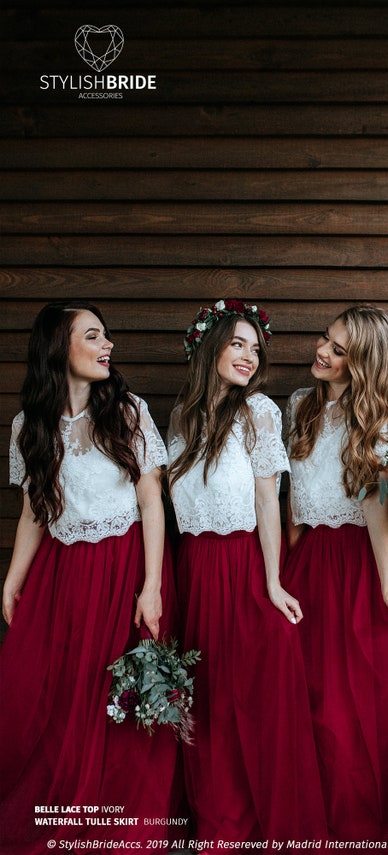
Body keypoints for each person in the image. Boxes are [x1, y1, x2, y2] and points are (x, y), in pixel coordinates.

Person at [0, 301, 181, 855]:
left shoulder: (126, 411)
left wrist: (151, 587)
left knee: (118, 697)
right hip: (63, 570)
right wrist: (12, 579)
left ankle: (117, 821)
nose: (107, 346)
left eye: (107, 336)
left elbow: (153, 501)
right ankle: (57, 812)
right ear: (60, 347)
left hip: (126, 567)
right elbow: (36, 509)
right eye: (93, 336)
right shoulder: (28, 425)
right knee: (54, 690)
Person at [283, 304, 388, 842]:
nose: (323, 351)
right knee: (318, 704)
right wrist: (280, 571)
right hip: (311, 562)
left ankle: (378, 828)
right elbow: (293, 499)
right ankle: (326, 825)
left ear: (362, 363)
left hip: (366, 562)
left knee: (374, 702)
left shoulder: (378, 422)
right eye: (325, 339)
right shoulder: (298, 407)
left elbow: (375, 506)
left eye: (338, 350)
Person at [167, 299, 327, 848]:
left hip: (242, 566)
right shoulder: (182, 415)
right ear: (208, 346)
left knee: (249, 696)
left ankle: (254, 823)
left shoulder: (258, 411)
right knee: (203, 697)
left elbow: (267, 501)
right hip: (193, 569)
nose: (248, 357)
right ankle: (214, 819)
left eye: (255, 349)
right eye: (238, 343)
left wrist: (273, 580)